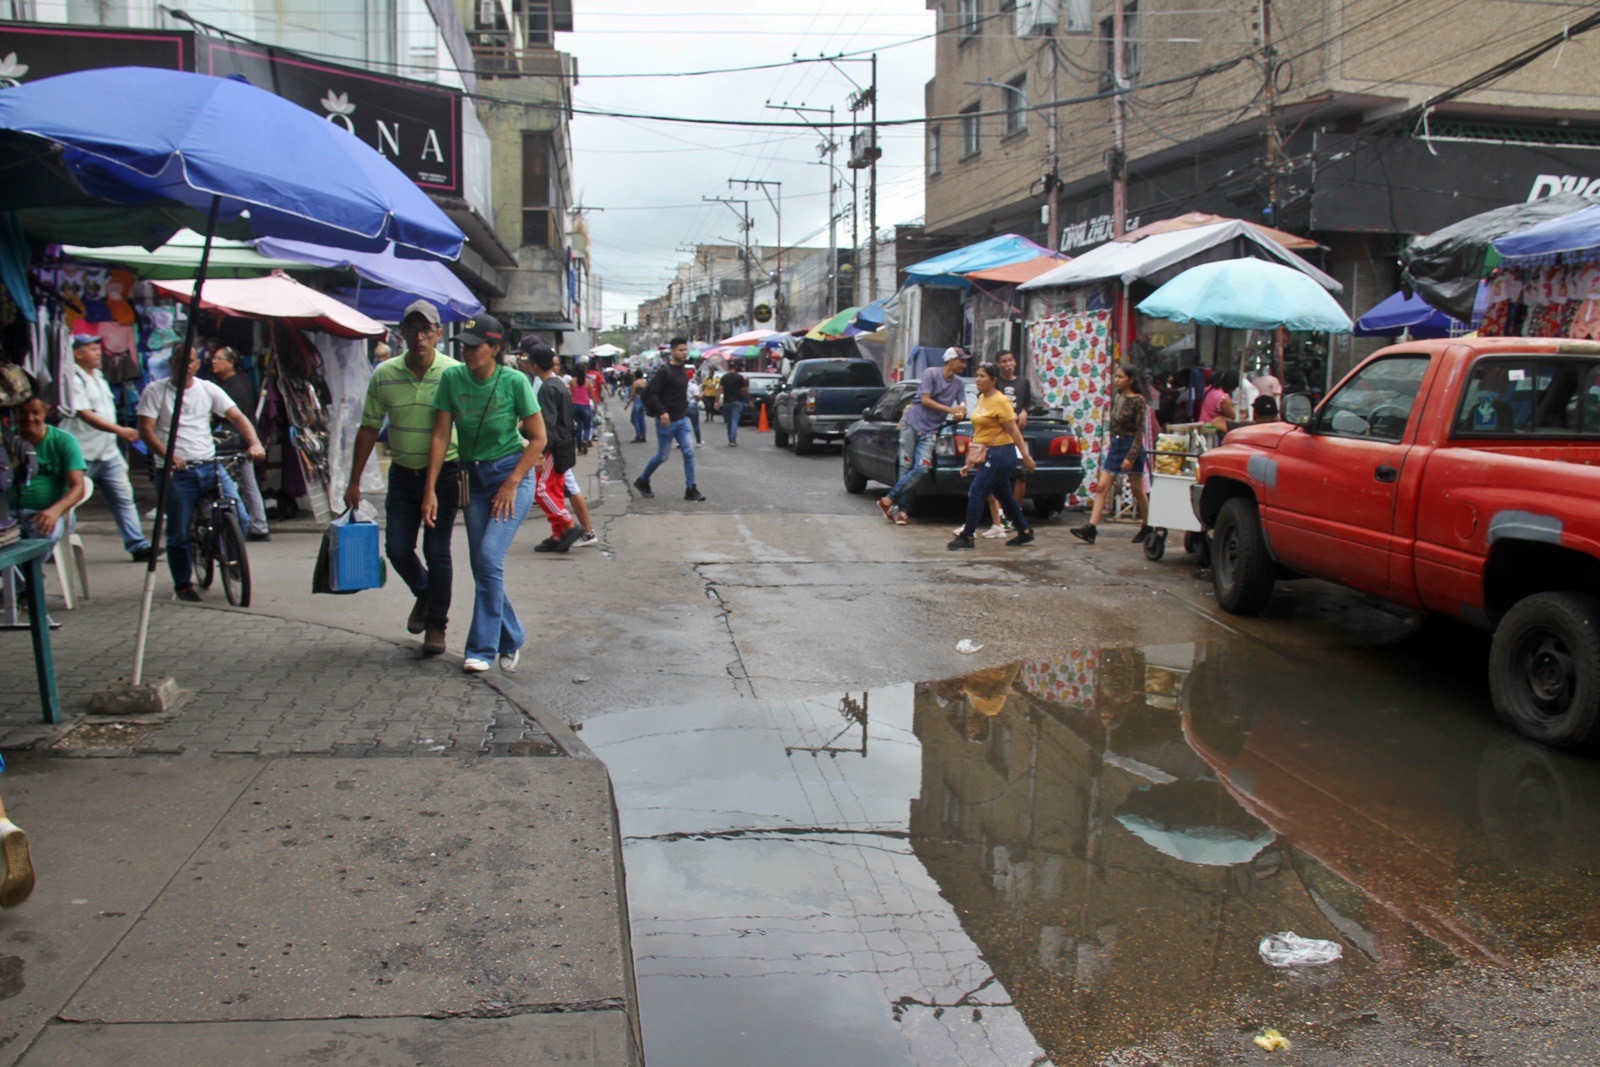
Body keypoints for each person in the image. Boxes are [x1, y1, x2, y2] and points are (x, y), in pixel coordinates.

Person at [422, 313, 546, 675]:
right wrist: (429, 488)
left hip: (512, 478)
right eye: (464, 346)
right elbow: (441, 436)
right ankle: (511, 637)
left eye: (475, 347)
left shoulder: (514, 382)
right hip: (472, 479)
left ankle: (481, 648)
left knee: (489, 557)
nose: (468, 352)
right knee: (482, 564)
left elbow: (539, 439)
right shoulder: (452, 379)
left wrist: (511, 482)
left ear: (495, 349)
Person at [345, 300, 460, 656]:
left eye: (426, 329)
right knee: (396, 548)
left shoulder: (454, 373)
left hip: (445, 475)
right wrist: (353, 482)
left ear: (438, 334)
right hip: (404, 474)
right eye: (412, 328)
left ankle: (436, 625)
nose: (419, 336)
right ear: (402, 333)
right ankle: (425, 592)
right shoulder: (385, 374)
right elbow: (368, 429)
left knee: (437, 549)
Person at [137, 349, 264, 602]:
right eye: (179, 360)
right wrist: (168, 454)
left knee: (238, 513)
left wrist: (254, 442)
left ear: (197, 364)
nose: (185, 365)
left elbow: (237, 416)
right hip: (176, 472)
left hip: (209, 464)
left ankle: (232, 556)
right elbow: (146, 430)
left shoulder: (207, 389)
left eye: (190, 360)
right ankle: (183, 583)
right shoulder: (155, 390)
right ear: (172, 363)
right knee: (179, 532)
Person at [58, 333, 153, 561]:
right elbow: (85, 414)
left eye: (97, 349)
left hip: (107, 451)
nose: (98, 353)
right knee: (70, 498)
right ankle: (59, 543)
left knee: (123, 497)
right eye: (91, 349)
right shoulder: (72, 379)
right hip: (82, 452)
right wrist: (120, 430)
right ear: (78, 353)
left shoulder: (98, 376)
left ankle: (138, 545)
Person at [947, 362, 1036, 550]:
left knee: (977, 491)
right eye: (977, 375)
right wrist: (970, 459)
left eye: (983, 376)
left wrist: (1026, 457)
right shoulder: (982, 398)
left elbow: (1013, 430)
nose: (978, 379)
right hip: (987, 452)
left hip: (1001, 453)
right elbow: (979, 430)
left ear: (994, 380)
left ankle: (967, 536)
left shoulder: (1001, 401)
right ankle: (1024, 531)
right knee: (1004, 495)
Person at [878, 347, 967, 526]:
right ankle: (903, 511)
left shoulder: (959, 383)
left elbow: (962, 405)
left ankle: (888, 500)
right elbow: (925, 399)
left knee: (922, 467)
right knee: (906, 465)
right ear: (951, 360)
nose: (964, 365)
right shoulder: (931, 373)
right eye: (961, 361)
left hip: (931, 429)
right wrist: (951, 410)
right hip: (913, 423)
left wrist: (960, 413)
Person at [1070, 366, 1150, 546]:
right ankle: (1091, 527)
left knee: (1137, 489)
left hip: (1131, 445)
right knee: (1102, 487)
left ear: (1130, 380)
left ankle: (1148, 525)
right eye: (1116, 376)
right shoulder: (1119, 398)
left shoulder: (1138, 401)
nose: (1117, 380)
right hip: (1117, 445)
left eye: (1121, 377)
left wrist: (1130, 456)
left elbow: (1139, 432)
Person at [521, 341, 585, 554]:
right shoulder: (558, 384)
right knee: (554, 491)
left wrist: (539, 452)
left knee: (540, 490)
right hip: (564, 444)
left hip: (553, 447)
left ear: (536, 365)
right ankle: (558, 534)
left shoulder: (548, 388)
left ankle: (566, 524)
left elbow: (546, 424)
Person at [208, 346, 270, 542]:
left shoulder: (234, 386)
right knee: (248, 484)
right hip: (240, 441)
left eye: (219, 359)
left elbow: (236, 416)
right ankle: (259, 525)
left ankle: (252, 524)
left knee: (236, 484)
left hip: (236, 442)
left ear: (231, 362)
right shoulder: (233, 383)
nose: (214, 362)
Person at [634, 338, 706, 502]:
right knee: (663, 455)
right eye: (680, 350)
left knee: (688, 452)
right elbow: (652, 393)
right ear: (673, 351)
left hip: (682, 420)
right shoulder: (664, 371)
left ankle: (691, 488)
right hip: (667, 421)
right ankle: (642, 480)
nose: (684, 353)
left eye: (685, 350)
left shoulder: (682, 370)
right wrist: (662, 412)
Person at [9, 396, 86, 547]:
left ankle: (33, 570)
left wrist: (55, 511)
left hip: (47, 512)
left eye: (35, 412)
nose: (29, 418)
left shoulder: (63, 441)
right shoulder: (8, 439)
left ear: (46, 411)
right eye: (24, 413)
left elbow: (78, 488)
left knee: (46, 535)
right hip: (9, 514)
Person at [979, 349, 1031, 534]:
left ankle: (1015, 515)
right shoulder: (995, 383)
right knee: (997, 480)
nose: (1008, 364)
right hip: (999, 437)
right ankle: (1000, 517)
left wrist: (1024, 412)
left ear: (1014, 362)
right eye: (1004, 361)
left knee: (1021, 474)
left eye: (1010, 360)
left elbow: (1026, 404)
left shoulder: (1023, 382)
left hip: (1016, 434)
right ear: (998, 365)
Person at [569, 358, 596, 455]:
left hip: (575, 406)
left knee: (578, 428)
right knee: (587, 426)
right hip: (586, 406)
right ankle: (585, 440)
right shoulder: (588, 382)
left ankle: (579, 449)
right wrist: (595, 406)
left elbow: (571, 394)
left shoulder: (572, 381)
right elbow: (591, 395)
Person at [719, 360, 748, 446]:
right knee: (734, 420)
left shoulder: (724, 377)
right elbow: (745, 389)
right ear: (735, 368)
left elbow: (720, 389)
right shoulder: (739, 377)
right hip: (737, 401)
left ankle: (730, 438)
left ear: (728, 368)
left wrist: (716, 401)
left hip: (727, 401)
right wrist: (746, 397)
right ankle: (733, 440)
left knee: (729, 421)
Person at [629, 370, 649, 442]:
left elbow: (633, 394)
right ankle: (643, 436)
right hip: (643, 401)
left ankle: (638, 436)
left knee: (635, 420)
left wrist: (628, 403)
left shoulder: (635, 383)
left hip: (637, 400)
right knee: (642, 419)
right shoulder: (645, 381)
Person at [685, 371, 703, 444]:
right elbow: (697, 398)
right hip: (692, 406)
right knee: (695, 425)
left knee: (683, 426)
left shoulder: (682, 384)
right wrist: (702, 394)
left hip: (684, 406)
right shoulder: (693, 386)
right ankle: (698, 441)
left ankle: (681, 442)